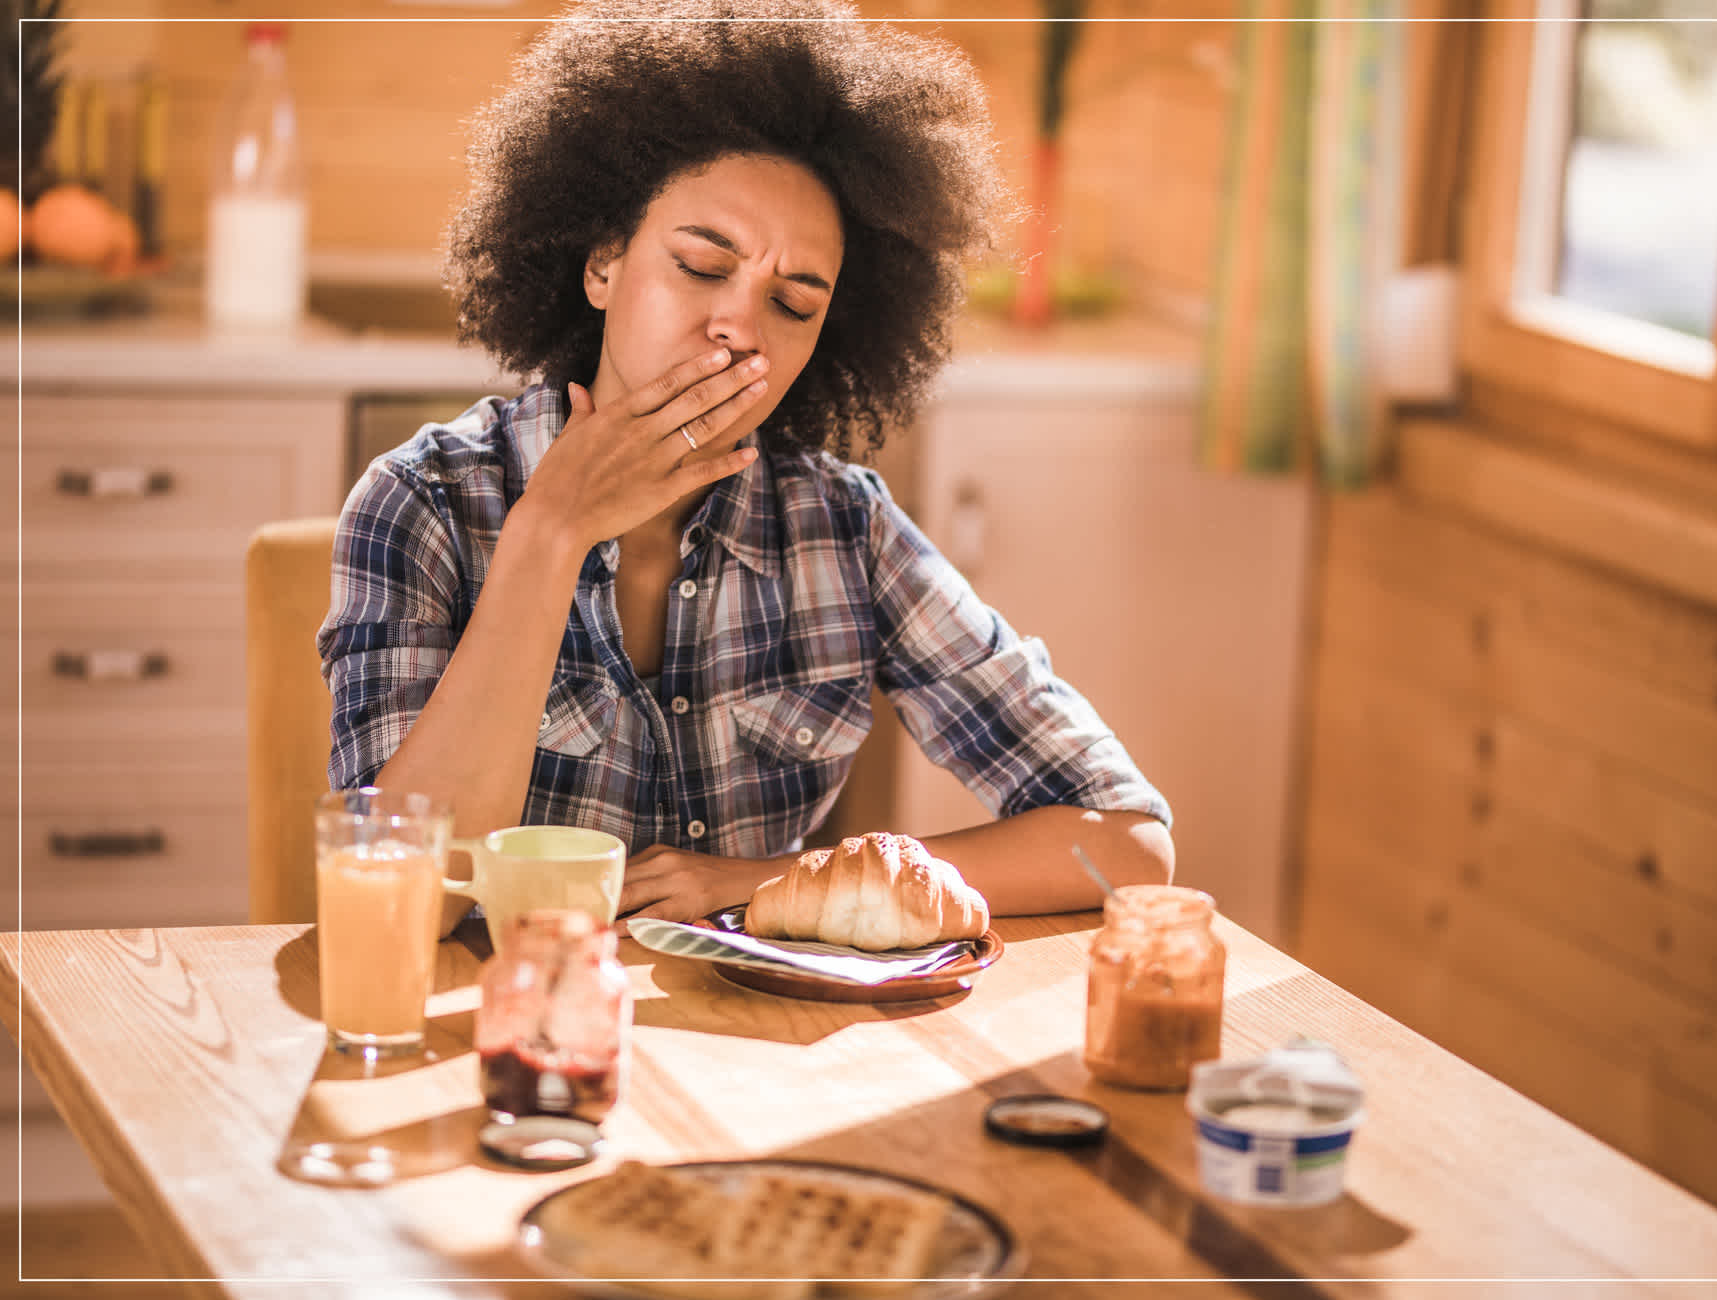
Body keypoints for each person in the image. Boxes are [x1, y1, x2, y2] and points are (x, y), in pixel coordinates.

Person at [318, 0, 1173, 932]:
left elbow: (1125, 842)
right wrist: (551, 531)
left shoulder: (843, 526)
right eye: (700, 264)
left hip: (743, 1060)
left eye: (794, 303)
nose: (739, 325)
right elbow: (396, 914)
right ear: (605, 264)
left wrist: (778, 877)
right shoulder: (423, 503)